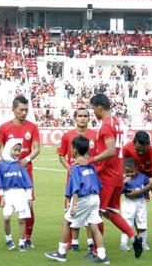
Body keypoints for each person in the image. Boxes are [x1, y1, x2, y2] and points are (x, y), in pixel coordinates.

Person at [77, 93, 143, 258]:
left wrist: (90, 160)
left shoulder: (106, 125)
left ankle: (97, 252)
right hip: (117, 174)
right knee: (110, 212)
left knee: (96, 212)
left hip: (107, 175)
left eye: (93, 109)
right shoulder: (117, 122)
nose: (94, 113)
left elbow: (111, 150)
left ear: (99, 107)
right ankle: (133, 237)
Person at [0, 96, 40, 249]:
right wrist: (0, 161)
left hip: (25, 172)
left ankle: (27, 238)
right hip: (7, 172)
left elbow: (37, 148)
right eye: (21, 110)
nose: (24, 113)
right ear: (14, 109)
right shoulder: (5, 127)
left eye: (26, 110)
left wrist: (28, 158)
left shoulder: (32, 127)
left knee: (28, 206)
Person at [44, 135, 108, 264]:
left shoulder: (74, 167)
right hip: (95, 197)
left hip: (83, 198)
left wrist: (73, 205)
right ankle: (102, 255)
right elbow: (97, 183)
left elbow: (76, 187)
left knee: (66, 222)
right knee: (93, 226)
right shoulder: (90, 164)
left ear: (74, 151)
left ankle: (61, 252)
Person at [56, 108, 97, 252]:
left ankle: (90, 242)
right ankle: (73, 242)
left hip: (88, 179)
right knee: (71, 211)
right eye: (79, 116)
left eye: (85, 116)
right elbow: (61, 155)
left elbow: (96, 156)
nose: (82, 119)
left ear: (89, 118)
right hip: (73, 180)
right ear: (75, 118)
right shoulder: (67, 136)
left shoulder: (94, 135)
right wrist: (69, 168)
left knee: (89, 214)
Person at [0, 140, 33, 252]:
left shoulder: (21, 164)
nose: (17, 152)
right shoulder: (1, 165)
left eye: (19, 150)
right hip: (8, 194)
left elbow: (28, 183)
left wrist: (29, 197)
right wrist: (2, 197)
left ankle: (21, 243)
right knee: (6, 217)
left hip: (21, 194)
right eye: (15, 150)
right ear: (8, 149)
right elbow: (0, 182)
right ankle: (8, 239)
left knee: (21, 219)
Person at [120, 157, 152, 252]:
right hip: (128, 203)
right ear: (123, 169)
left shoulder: (142, 177)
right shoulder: (123, 179)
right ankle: (123, 244)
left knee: (142, 223)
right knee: (126, 223)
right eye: (127, 172)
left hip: (141, 202)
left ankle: (143, 244)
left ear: (136, 169)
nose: (129, 174)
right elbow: (119, 191)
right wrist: (123, 183)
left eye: (131, 171)